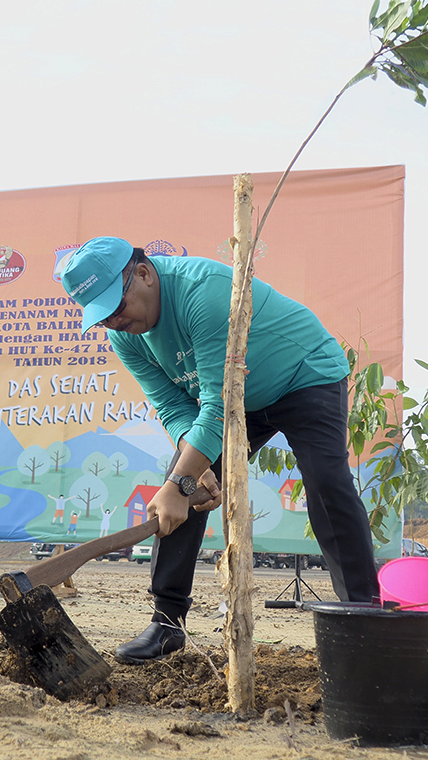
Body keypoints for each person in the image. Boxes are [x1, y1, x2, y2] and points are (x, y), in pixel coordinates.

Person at [61, 236, 380, 665]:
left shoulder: (204, 292)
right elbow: (173, 405)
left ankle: (364, 615)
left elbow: (218, 403)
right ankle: (167, 623)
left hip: (304, 375)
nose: (115, 321)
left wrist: (181, 482)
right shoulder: (125, 336)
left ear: (143, 273)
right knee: (183, 483)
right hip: (232, 399)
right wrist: (191, 475)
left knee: (326, 481)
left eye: (117, 307)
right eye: (103, 316)